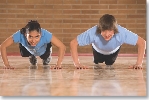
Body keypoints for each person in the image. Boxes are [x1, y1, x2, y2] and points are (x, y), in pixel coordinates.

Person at [70, 14, 146, 69]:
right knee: (97, 65)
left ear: (115, 30)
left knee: (109, 64)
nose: (107, 34)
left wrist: (138, 64)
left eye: (110, 31)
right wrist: (77, 64)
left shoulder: (122, 33)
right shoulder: (92, 32)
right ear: (99, 30)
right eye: (104, 31)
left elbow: (142, 42)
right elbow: (73, 43)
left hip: (113, 52)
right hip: (97, 51)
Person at [0, 20, 66, 69]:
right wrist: (6, 64)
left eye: (37, 37)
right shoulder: (20, 34)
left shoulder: (46, 34)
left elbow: (62, 47)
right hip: (28, 49)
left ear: (41, 34)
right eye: (30, 37)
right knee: (25, 54)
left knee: (45, 61)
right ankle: (32, 55)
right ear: (25, 35)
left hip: (43, 50)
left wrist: (58, 64)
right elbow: (3, 46)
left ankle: (46, 56)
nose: (33, 41)